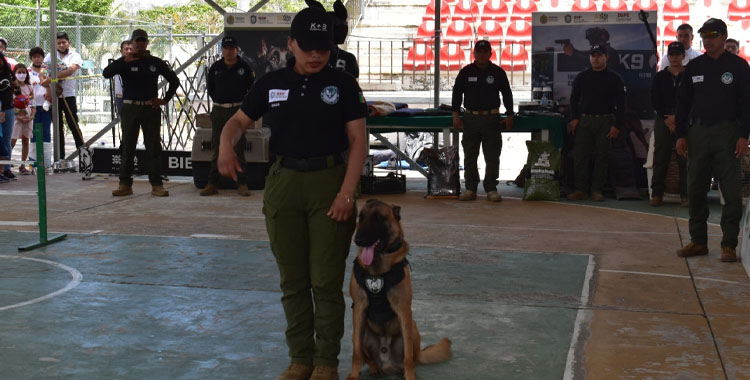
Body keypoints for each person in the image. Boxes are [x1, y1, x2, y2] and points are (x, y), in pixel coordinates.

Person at [217, 7, 367, 380]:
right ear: (291, 45)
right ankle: (300, 359)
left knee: (326, 281)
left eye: (324, 48)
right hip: (283, 184)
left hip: (329, 183)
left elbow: (358, 141)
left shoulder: (344, 84)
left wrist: (347, 193)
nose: (316, 55)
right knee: (293, 280)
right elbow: (238, 121)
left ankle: (326, 363)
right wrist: (224, 144)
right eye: (308, 47)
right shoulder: (270, 83)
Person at [674, 18, 750, 263]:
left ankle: (728, 244)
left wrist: (743, 136)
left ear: (724, 36)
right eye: (704, 35)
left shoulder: (739, 67)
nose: (708, 39)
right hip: (698, 135)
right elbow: (683, 103)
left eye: (713, 34)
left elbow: (747, 104)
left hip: (728, 134)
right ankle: (698, 241)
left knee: (731, 193)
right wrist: (681, 135)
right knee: (695, 189)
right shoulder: (694, 66)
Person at [102, 29, 179, 197]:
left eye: (143, 40)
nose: (140, 43)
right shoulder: (124, 61)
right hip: (130, 107)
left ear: (147, 42)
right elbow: (106, 73)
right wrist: (124, 61)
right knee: (127, 146)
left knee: (153, 146)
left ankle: (156, 185)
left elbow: (174, 80)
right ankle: (124, 184)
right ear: (132, 43)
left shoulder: (155, 62)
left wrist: (165, 99)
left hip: (150, 108)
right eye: (137, 40)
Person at [451, 39, 514, 202]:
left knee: (492, 155)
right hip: (470, 119)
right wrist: (455, 115)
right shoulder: (465, 72)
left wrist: (510, 114)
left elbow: (507, 93)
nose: (481, 55)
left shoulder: (498, 72)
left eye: (485, 52)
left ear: (490, 53)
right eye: (478, 52)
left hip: (492, 119)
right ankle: (471, 188)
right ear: (474, 53)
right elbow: (457, 94)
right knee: (470, 155)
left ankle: (491, 188)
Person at [567, 44, 626, 201]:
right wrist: (573, 118)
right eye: (593, 55)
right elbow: (573, 100)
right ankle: (580, 189)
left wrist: (617, 125)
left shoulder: (615, 78)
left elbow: (622, 104)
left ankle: (597, 190)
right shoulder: (582, 77)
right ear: (590, 58)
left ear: (606, 57)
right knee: (580, 156)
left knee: (602, 157)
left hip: (605, 121)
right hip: (584, 121)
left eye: (599, 55)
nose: (596, 58)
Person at [200, 35, 255, 196]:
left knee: (239, 146)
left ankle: (242, 183)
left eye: (232, 48)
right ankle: (212, 183)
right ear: (222, 50)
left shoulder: (244, 67)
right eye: (226, 48)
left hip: (237, 110)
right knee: (217, 145)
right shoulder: (215, 67)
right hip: (218, 110)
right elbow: (211, 90)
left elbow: (250, 89)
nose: (229, 51)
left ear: (237, 50)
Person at [649, 41, 688, 207]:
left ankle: (686, 196)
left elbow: (692, 100)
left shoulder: (690, 75)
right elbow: (654, 100)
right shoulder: (660, 76)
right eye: (671, 54)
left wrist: (678, 118)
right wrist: (667, 118)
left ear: (683, 56)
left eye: (677, 54)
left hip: (684, 119)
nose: (674, 58)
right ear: (668, 56)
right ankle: (657, 194)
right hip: (663, 118)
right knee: (661, 156)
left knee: (684, 158)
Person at [44, 32, 84, 158]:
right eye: (58, 43)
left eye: (63, 42)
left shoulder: (75, 55)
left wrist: (52, 77)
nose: (61, 45)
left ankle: (83, 155)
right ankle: (60, 157)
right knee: (57, 127)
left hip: (68, 95)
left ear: (68, 43)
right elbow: (44, 70)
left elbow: (71, 70)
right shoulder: (50, 56)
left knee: (73, 124)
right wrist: (48, 79)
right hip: (55, 96)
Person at [10, 63, 35, 175]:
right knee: (12, 140)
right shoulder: (12, 87)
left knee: (26, 140)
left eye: (24, 72)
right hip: (16, 117)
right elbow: (10, 103)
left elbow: (33, 103)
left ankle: (22, 165)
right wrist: (18, 116)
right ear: (14, 74)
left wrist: (31, 116)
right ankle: (5, 165)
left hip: (28, 117)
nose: (21, 75)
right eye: (19, 72)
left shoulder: (29, 87)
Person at [28, 47, 52, 161]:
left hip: (46, 105)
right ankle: (34, 161)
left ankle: (46, 161)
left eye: (39, 56)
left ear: (43, 58)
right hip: (33, 107)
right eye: (34, 57)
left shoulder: (48, 71)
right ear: (31, 58)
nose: (37, 59)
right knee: (34, 133)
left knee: (46, 132)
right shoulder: (27, 72)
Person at [0, 52, 16, 182]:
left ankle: (6, 169)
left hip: (8, 109)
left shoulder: (9, 73)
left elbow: (16, 89)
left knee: (7, 140)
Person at [113, 40, 132, 117]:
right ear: (121, 51)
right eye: (126, 49)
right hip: (120, 97)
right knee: (123, 120)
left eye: (130, 49)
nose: (128, 51)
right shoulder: (117, 63)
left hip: (133, 97)